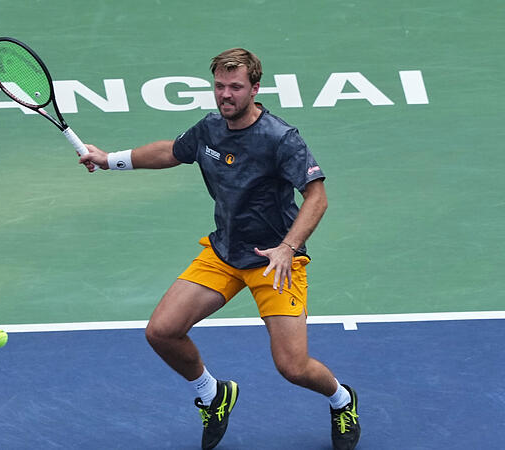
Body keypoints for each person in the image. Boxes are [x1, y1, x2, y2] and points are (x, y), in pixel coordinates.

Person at [79, 48, 360, 450]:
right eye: (219, 86)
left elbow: (317, 198)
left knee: (293, 367)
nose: (226, 95)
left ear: (255, 88)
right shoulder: (210, 128)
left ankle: (341, 399)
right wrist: (110, 160)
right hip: (225, 251)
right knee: (162, 332)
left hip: (274, 261)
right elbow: (171, 152)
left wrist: (287, 247)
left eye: (235, 87)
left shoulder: (280, 138)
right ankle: (213, 394)